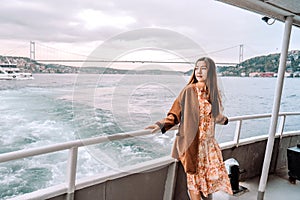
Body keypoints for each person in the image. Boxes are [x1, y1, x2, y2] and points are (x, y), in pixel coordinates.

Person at [145, 57, 233, 200]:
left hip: (209, 146)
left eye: (203, 68)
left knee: (209, 182)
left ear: (210, 72)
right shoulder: (189, 90)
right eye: (196, 68)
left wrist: (224, 120)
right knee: (194, 184)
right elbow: (175, 113)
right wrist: (161, 124)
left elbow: (213, 116)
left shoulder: (212, 93)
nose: (199, 71)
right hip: (193, 145)